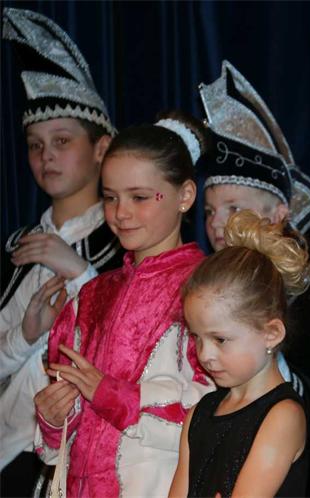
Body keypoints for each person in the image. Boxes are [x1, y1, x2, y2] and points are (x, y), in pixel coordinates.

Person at [33, 112, 215, 497]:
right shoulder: (89, 298)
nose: (121, 213)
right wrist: (53, 418)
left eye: (140, 197)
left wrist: (115, 397)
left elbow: (217, 413)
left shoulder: (210, 289)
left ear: (185, 196)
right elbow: (61, 440)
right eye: (111, 197)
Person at [198, 60, 310, 495]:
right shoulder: (203, 288)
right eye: (209, 211)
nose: (217, 223)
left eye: (233, 208)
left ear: (279, 214)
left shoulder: (309, 302)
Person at [0, 8, 124, 495]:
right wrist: (25, 335)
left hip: (70, 455)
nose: (46, 156)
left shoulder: (122, 243)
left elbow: (126, 352)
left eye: (62, 141)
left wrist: (79, 272)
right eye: (35, 145)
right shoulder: (17, 248)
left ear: (101, 148)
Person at [169, 210, 310, 497]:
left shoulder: (283, 416)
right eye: (196, 337)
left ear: (271, 333)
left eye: (220, 339)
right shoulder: (200, 413)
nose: (205, 354)